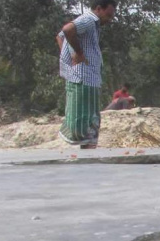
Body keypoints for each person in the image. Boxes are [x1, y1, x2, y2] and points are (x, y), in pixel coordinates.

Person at [56, 0, 116, 149]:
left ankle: (88, 159)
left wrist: (70, 54)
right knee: (86, 122)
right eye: (108, 15)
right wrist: (78, 53)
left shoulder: (93, 24)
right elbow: (67, 31)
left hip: (88, 79)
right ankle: (88, 159)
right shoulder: (89, 19)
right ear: (98, 9)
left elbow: (60, 36)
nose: (109, 20)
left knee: (90, 122)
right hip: (83, 79)